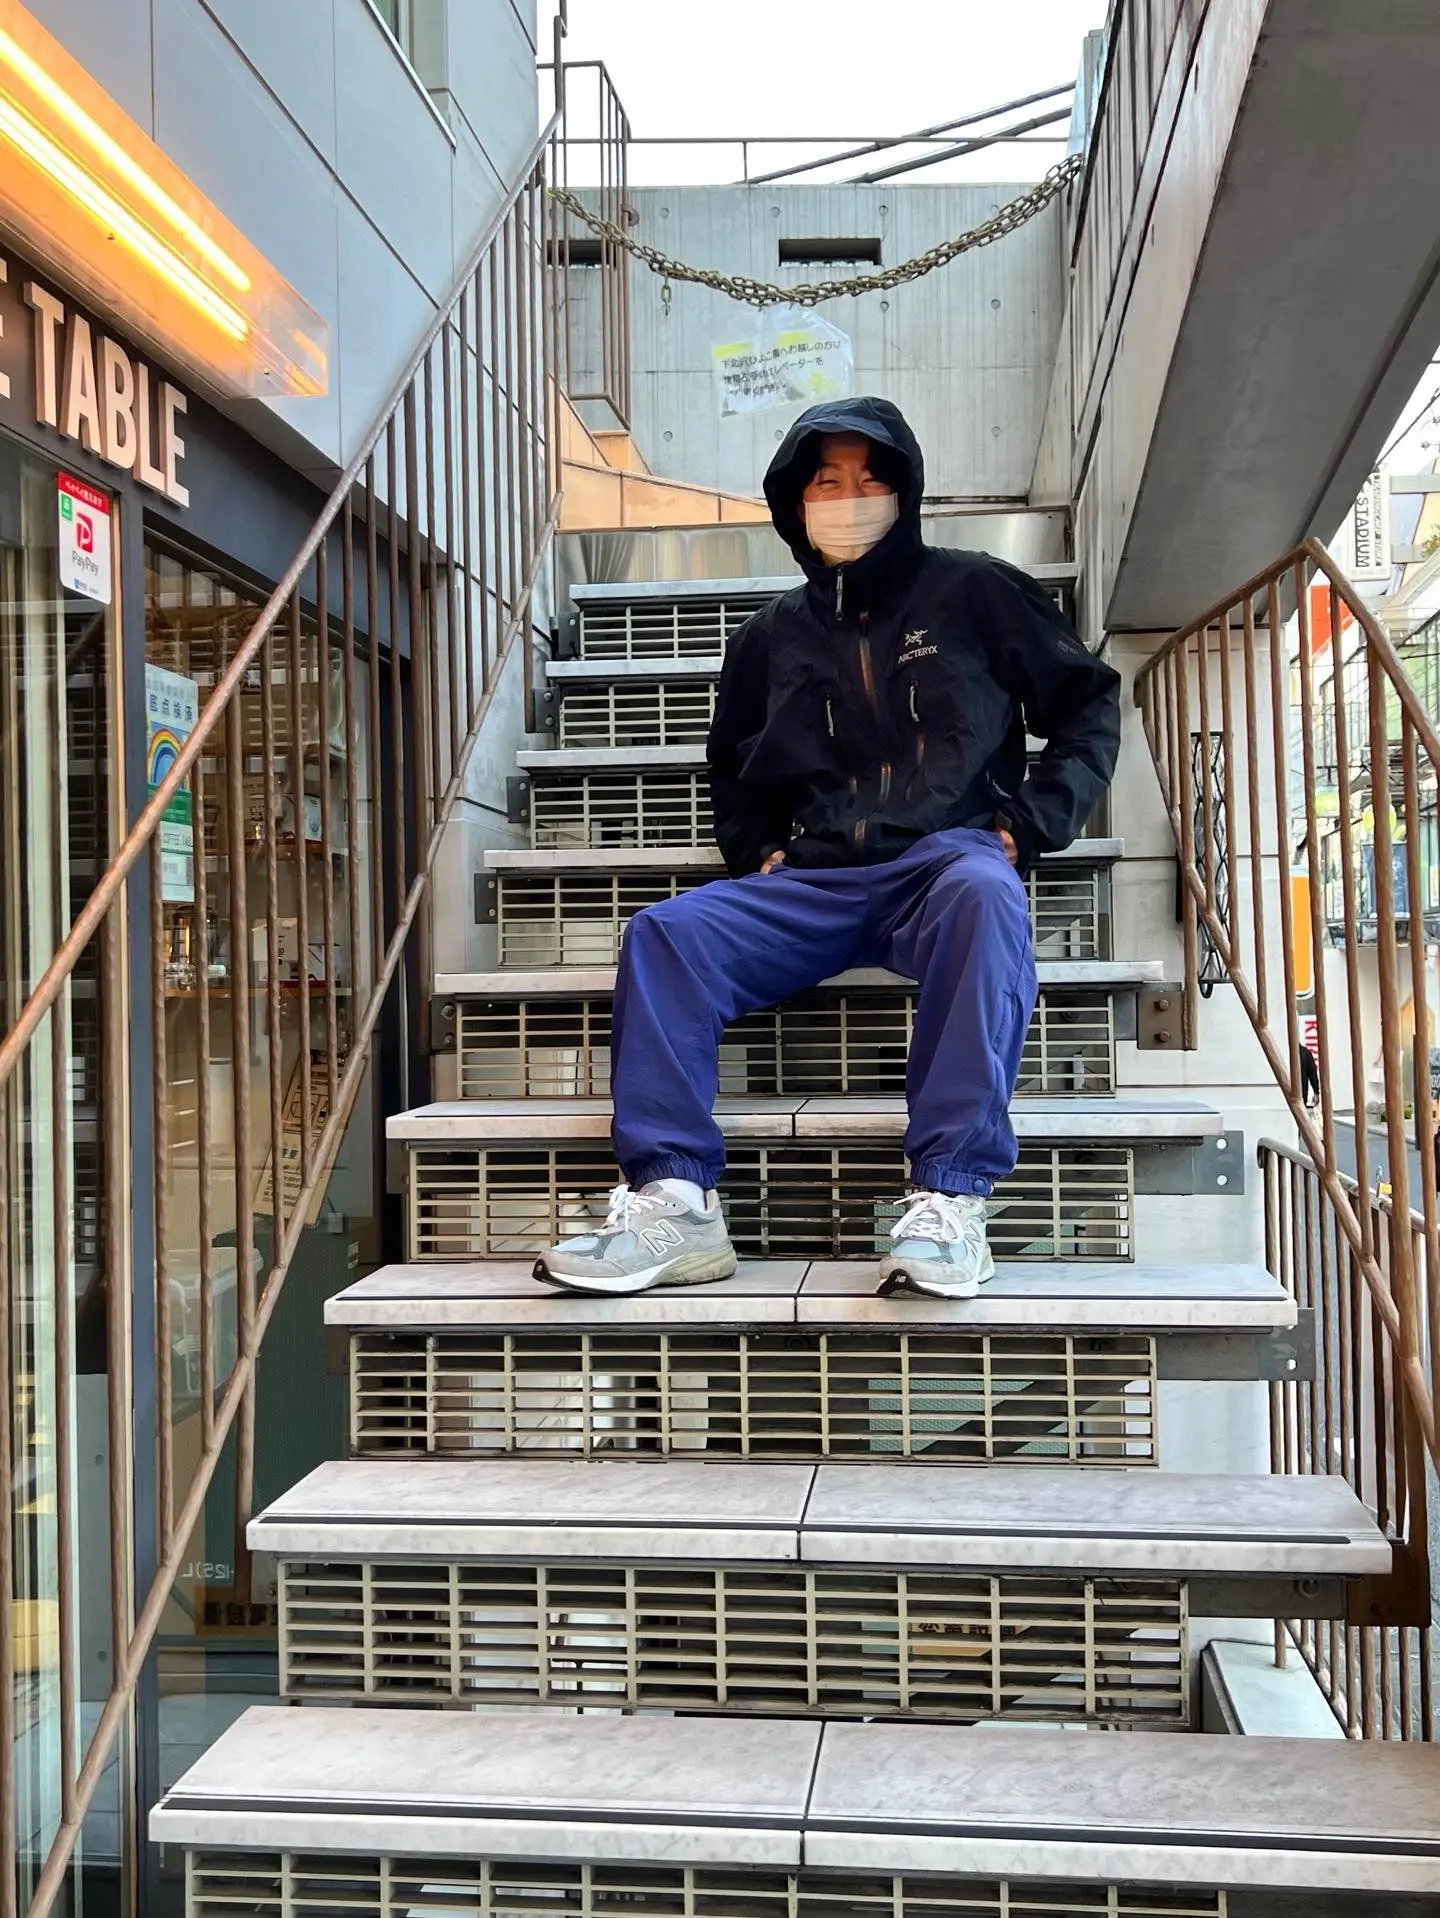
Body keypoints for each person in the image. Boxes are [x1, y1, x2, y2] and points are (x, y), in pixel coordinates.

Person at [536, 396, 1121, 1300]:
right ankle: (677, 1203)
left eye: (869, 480)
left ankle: (950, 1199)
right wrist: (756, 849)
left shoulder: (977, 591)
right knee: (664, 935)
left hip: (942, 862)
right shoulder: (768, 639)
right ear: (795, 501)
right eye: (827, 482)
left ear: (904, 491)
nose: (850, 499)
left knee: (986, 897)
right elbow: (732, 766)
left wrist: (1028, 824)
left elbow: (1087, 703)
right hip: (814, 880)